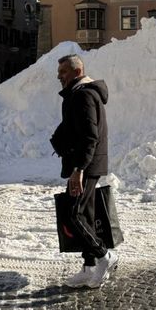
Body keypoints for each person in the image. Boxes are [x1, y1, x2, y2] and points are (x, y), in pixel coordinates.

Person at [50, 54, 117, 288]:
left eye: (63, 72)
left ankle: (104, 256)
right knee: (85, 214)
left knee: (74, 213)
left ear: (77, 71)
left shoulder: (84, 95)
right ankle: (89, 268)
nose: (59, 77)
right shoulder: (77, 94)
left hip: (86, 164)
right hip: (83, 163)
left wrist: (79, 168)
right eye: (59, 73)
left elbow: (90, 137)